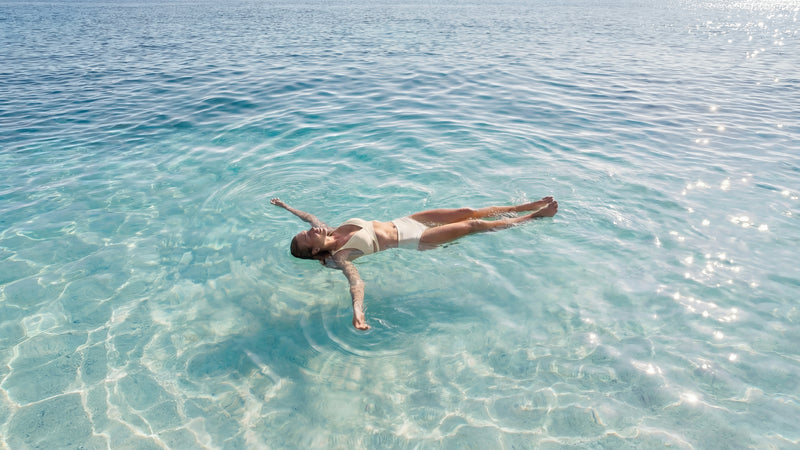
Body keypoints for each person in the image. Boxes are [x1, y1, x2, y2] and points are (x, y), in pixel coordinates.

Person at [271, 196, 558, 330]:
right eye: (308, 236)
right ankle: (531, 218)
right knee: (474, 225)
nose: (312, 230)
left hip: (408, 221)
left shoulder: (329, 230)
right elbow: (356, 283)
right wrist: (358, 312)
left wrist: (286, 207)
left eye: (308, 231)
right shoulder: (342, 256)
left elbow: (308, 217)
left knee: (466, 211)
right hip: (417, 239)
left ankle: (521, 207)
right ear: (315, 251)